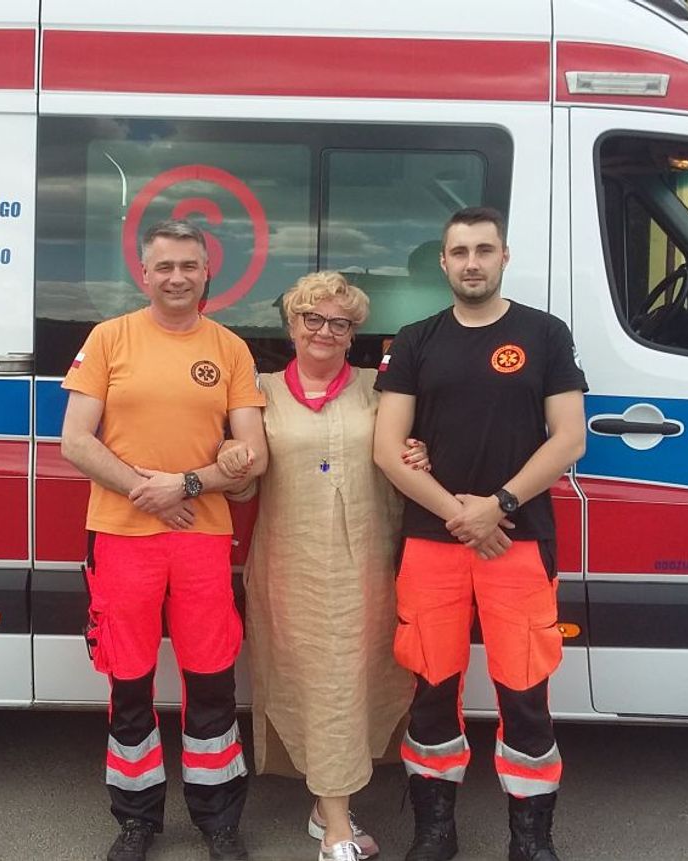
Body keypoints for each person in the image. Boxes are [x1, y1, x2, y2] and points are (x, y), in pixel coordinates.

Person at [372, 206, 587, 861]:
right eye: (460, 252)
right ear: (444, 262)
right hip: (433, 544)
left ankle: (531, 839)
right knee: (432, 690)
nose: (472, 263)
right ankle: (435, 831)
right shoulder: (415, 340)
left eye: (484, 250)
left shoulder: (545, 334)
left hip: (518, 541)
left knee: (525, 694)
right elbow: (387, 448)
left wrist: (499, 504)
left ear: (503, 256)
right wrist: (463, 517)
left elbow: (569, 438)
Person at [60, 220, 268, 861]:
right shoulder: (108, 339)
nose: (177, 277)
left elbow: (254, 455)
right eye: (165, 266)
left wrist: (186, 484)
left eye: (189, 266)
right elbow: (75, 440)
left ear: (207, 274)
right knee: (129, 680)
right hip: (122, 536)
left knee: (211, 680)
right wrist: (142, 490)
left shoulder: (230, 349)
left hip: (202, 539)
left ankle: (218, 820)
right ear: (144, 274)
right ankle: (136, 819)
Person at [216, 272, 427, 861]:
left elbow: (403, 461)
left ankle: (325, 808)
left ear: (354, 333)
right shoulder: (257, 392)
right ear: (291, 325)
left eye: (341, 322)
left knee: (356, 684)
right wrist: (232, 462)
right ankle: (336, 826)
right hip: (292, 568)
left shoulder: (381, 389)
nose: (325, 331)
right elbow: (244, 485)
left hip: (369, 567)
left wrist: (419, 453)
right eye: (313, 318)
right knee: (321, 684)